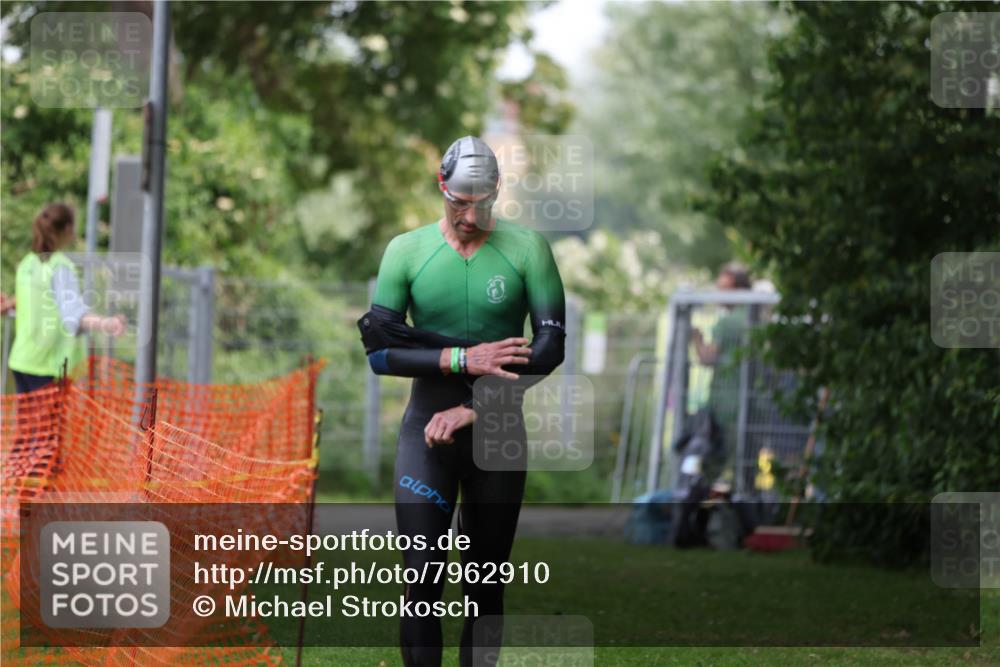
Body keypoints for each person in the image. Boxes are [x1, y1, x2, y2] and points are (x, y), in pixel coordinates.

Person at [359, 136, 566, 667]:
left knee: (485, 588)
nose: (470, 216)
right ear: (441, 187)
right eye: (458, 203)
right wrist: (461, 361)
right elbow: (380, 355)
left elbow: (549, 347)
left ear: (497, 190)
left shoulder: (527, 249)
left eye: (482, 203)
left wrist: (477, 406)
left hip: (497, 429)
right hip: (426, 430)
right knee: (422, 582)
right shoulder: (406, 251)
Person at [8, 202, 126, 394]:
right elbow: (73, 315)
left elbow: (33, 301)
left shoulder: (27, 263)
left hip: (23, 360)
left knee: (27, 425)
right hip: (48, 366)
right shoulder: (60, 267)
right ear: (68, 229)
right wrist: (108, 323)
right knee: (49, 425)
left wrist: (10, 303)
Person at [690, 263, 752, 482]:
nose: (717, 292)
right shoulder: (755, 318)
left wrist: (696, 337)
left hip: (724, 405)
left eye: (722, 287)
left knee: (711, 462)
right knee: (745, 463)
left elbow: (707, 358)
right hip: (750, 404)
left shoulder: (729, 323)